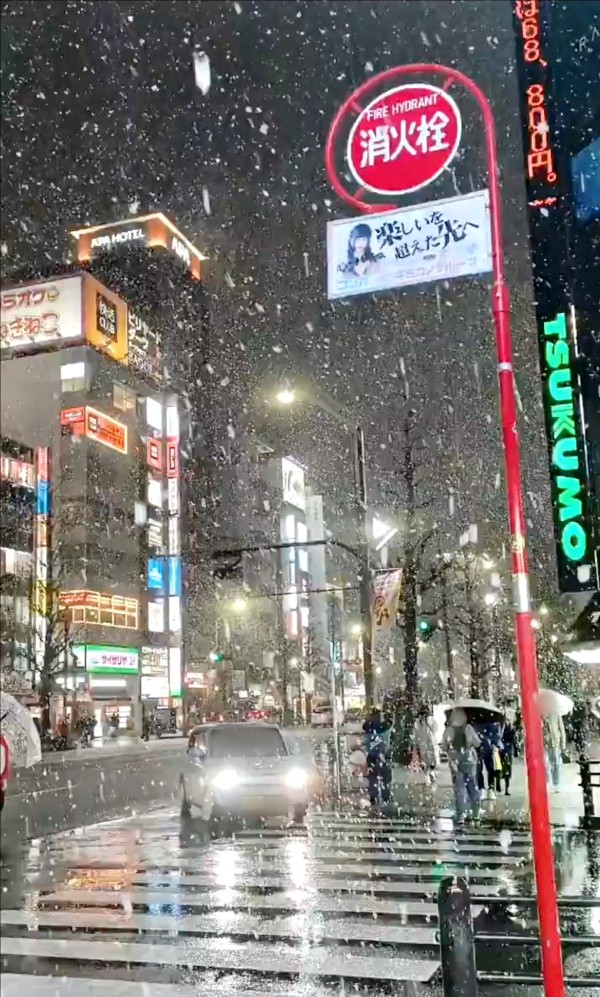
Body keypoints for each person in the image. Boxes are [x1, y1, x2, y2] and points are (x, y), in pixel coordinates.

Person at [442, 708, 481, 824]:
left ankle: (461, 815)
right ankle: (475, 813)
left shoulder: (449, 730)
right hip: (468, 758)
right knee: (472, 786)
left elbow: (444, 746)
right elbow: (477, 743)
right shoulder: (468, 728)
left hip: (455, 760)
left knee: (459, 788)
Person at [412, 704, 438, 785]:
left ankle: (428, 777)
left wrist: (415, 745)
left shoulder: (417, 722)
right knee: (432, 761)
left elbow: (415, 734)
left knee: (424, 761)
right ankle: (431, 774)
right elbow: (436, 729)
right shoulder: (431, 720)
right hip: (431, 743)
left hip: (421, 744)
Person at [478, 719, 504, 799]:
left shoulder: (491, 726)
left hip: (485, 749)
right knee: (484, 769)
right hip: (484, 749)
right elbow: (497, 736)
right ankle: (487, 788)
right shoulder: (493, 725)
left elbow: (496, 736)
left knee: (486, 769)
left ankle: (487, 788)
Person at [543, 711, 566, 792]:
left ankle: (556, 784)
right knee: (544, 764)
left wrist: (563, 744)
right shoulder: (540, 714)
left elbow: (561, 728)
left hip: (554, 742)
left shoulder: (556, 714)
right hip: (543, 742)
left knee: (555, 763)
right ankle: (545, 782)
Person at [501, 718, 517, 795]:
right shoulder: (501, 727)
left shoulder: (510, 730)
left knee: (507, 769)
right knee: (501, 769)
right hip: (502, 750)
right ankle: (498, 786)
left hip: (506, 750)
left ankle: (506, 788)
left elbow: (512, 739)